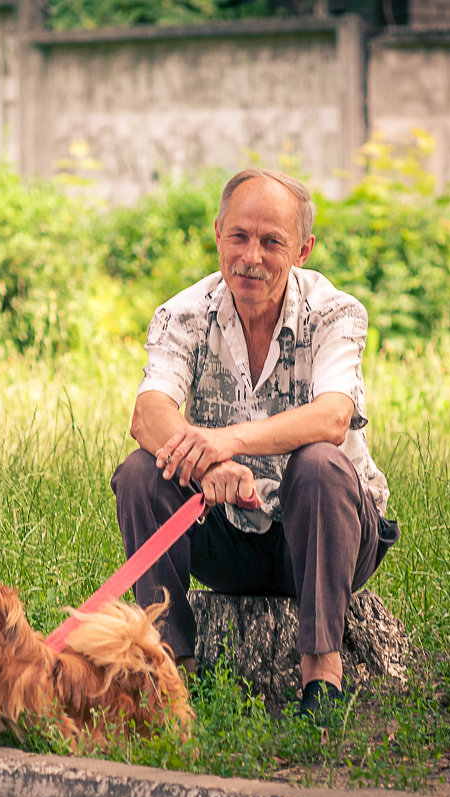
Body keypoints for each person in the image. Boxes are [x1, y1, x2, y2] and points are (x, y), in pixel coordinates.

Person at [111, 168, 398, 724]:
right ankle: (170, 671)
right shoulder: (182, 314)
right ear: (218, 234)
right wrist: (209, 467)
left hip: (324, 538)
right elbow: (149, 413)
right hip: (230, 540)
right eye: (239, 237)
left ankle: (321, 678)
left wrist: (226, 444)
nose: (252, 256)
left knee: (319, 463)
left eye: (272, 242)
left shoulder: (336, 313)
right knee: (141, 474)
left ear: (303, 250)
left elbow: (333, 416)